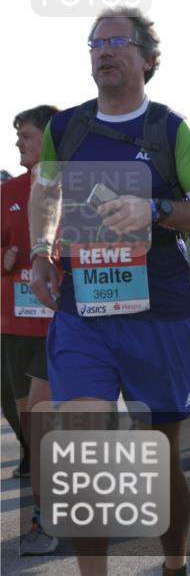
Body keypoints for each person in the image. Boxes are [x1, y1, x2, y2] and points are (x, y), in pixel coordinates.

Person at [29, 7, 190, 576]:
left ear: (146, 57)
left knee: (161, 458)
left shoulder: (169, 128)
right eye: (95, 43)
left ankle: (175, 564)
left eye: (117, 41)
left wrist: (158, 208)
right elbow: (46, 195)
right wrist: (43, 251)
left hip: (157, 314)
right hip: (82, 314)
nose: (104, 51)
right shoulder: (64, 127)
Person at [3, 104, 59, 555]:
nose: (18, 142)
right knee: (28, 420)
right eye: (17, 135)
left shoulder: (79, 190)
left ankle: (46, 518)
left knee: (43, 417)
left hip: (64, 322)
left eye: (26, 135)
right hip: (16, 323)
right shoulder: (7, 192)